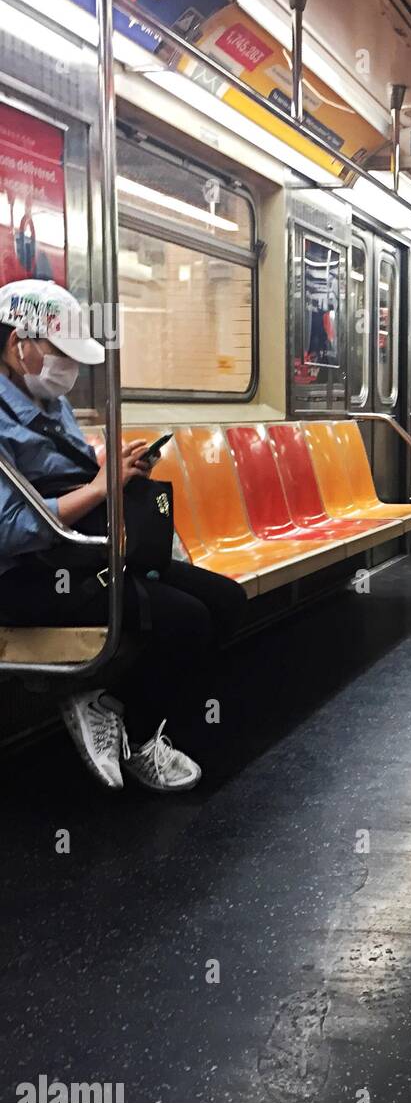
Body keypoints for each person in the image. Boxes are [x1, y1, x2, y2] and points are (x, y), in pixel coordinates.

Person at [0, 279, 246, 793]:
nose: (67, 367)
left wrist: (115, 468)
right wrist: (100, 488)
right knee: (187, 620)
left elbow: (69, 473)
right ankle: (137, 735)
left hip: (81, 555)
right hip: (29, 576)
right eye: (56, 351)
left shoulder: (48, 404)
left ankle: (107, 703)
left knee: (226, 600)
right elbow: (10, 529)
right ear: (17, 344)